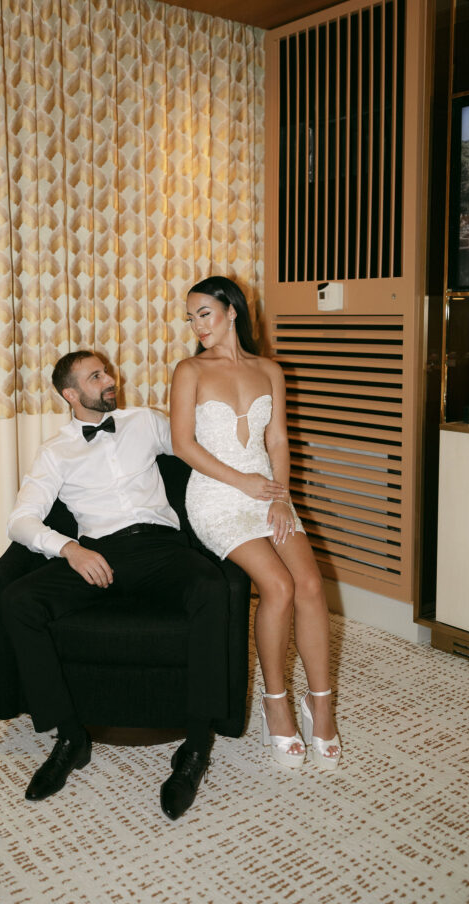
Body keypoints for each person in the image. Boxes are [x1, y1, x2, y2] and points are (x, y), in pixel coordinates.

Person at [2, 350, 229, 820]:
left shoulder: (145, 421)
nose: (110, 380)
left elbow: (199, 445)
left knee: (212, 588)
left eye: (106, 371)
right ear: (70, 394)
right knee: (19, 599)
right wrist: (69, 549)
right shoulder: (55, 450)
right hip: (97, 555)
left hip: (161, 549)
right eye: (96, 376)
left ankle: (195, 744)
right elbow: (20, 521)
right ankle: (70, 737)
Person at [170, 277, 341, 771]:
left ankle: (321, 703)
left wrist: (282, 498)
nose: (197, 325)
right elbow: (184, 445)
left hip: (269, 493)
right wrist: (243, 484)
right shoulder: (189, 370)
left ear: (232, 312)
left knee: (310, 584)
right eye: (191, 317)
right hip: (216, 496)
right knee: (279, 587)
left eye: (204, 313)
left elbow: (280, 441)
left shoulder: (270, 369)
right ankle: (276, 702)